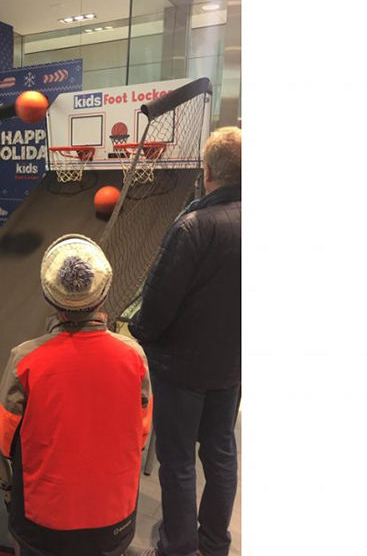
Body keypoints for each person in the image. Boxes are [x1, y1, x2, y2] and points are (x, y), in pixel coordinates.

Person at [0, 234, 151, 556]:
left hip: (44, 525)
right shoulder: (134, 356)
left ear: (50, 299)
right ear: (103, 296)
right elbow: (141, 433)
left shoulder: (25, 359)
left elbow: (5, 442)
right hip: (114, 520)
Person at [128, 126, 241, 556]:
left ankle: (178, 546)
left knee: (177, 461)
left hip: (182, 369)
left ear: (208, 171)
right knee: (220, 451)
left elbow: (156, 306)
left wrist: (139, 335)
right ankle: (215, 543)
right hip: (231, 368)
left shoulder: (192, 227)